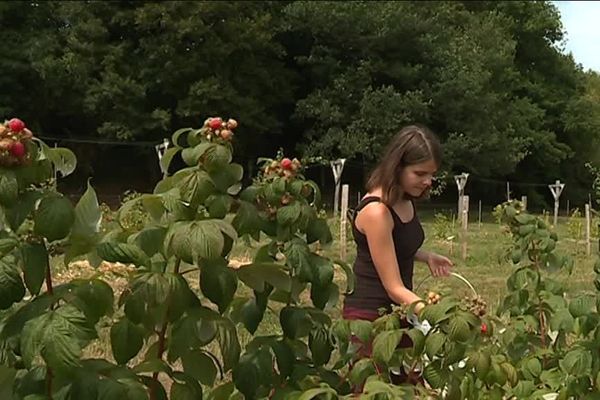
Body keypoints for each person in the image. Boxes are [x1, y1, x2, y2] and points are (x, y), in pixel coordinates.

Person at [342, 124, 453, 386]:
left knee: (407, 387)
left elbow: (393, 247)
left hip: (399, 312)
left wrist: (425, 256)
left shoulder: (404, 198)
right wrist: (437, 318)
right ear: (397, 167)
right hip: (372, 319)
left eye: (432, 174)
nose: (427, 181)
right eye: (420, 173)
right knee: (374, 388)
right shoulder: (376, 212)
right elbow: (393, 286)